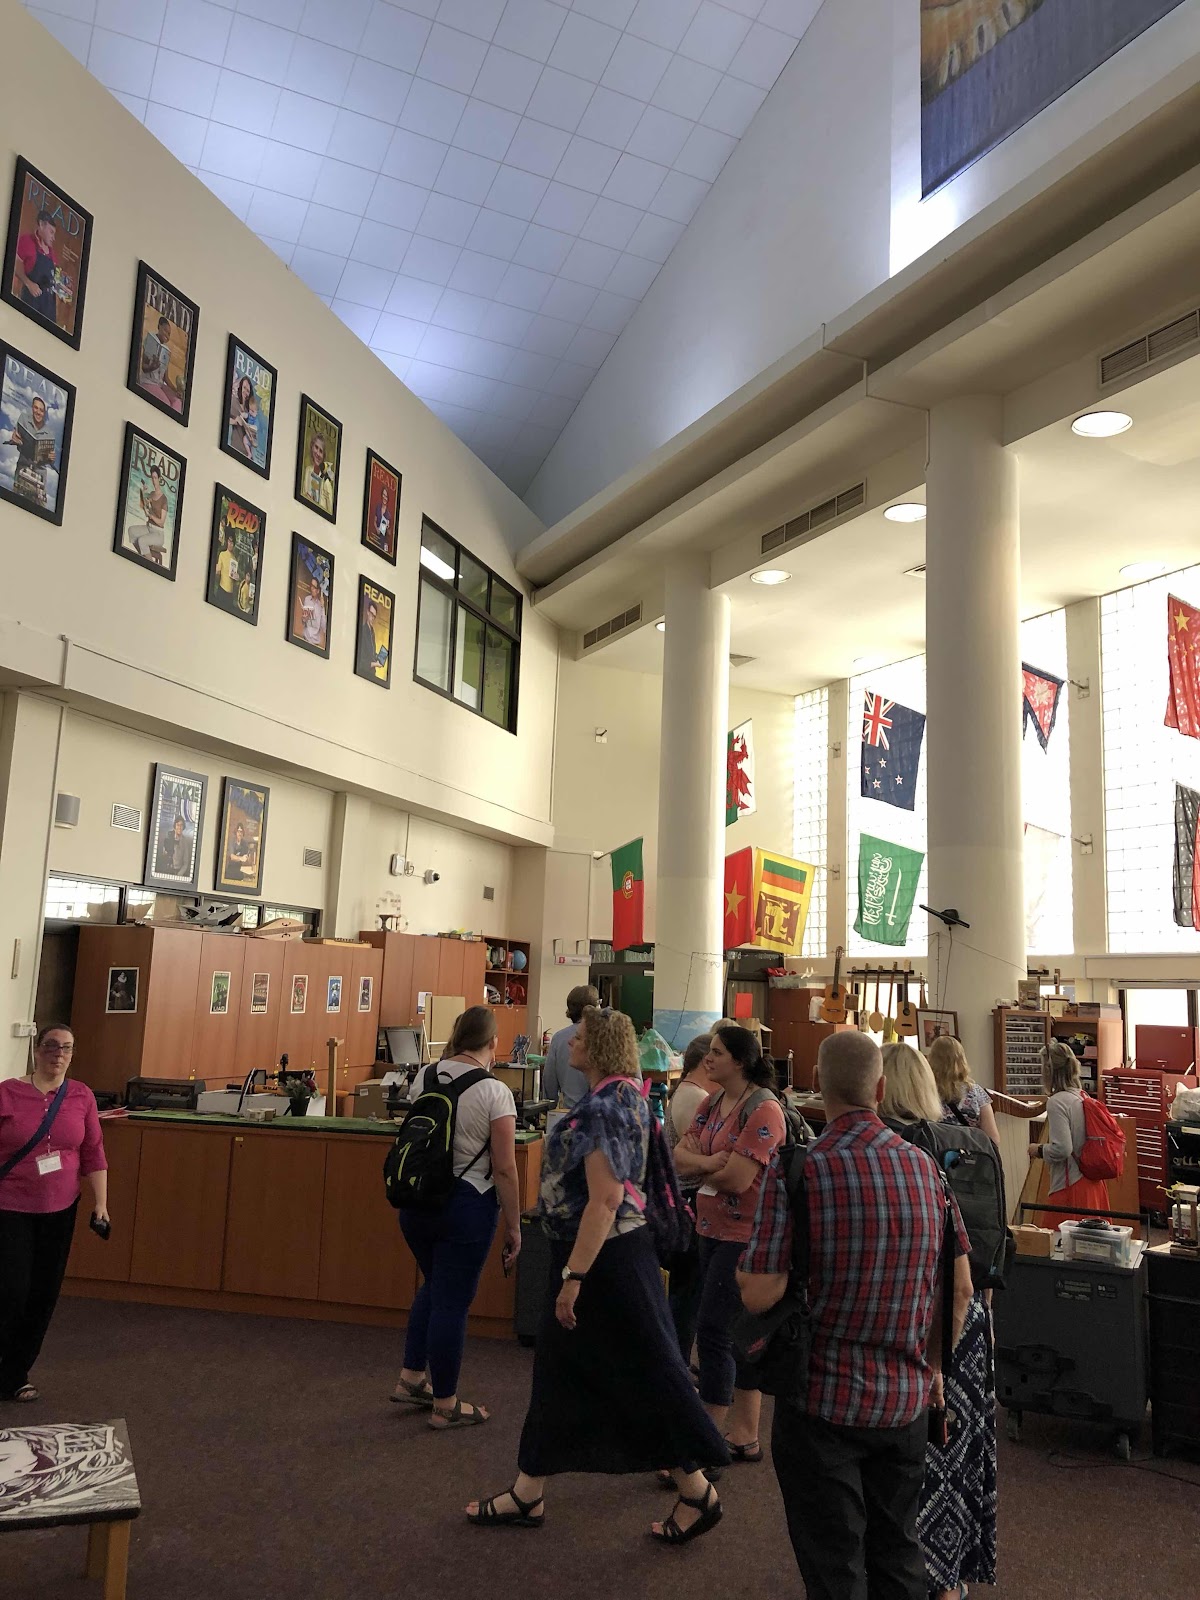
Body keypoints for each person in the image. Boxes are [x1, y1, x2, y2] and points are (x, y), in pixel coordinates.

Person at [467, 1005, 728, 1542]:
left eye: (581, 1038)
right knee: (566, 1373)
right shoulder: (626, 1095)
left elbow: (606, 1200)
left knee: (646, 1373)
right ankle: (530, 1489)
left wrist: (573, 1278)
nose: (571, 1043)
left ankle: (697, 1490)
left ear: (601, 1047)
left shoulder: (606, 1107)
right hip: (610, 1257)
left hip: (604, 1261)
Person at [738, 1032, 973, 1600]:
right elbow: (961, 1289)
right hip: (905, 1401)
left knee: (834, 1565)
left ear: (818, 1083)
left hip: (821, 1400)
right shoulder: (927, 1170)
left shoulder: (799, 1170)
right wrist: (934, 1369)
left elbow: (759, 1293)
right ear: (881, 1088)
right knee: (898, 1552)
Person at [880, 1043, 997, 1600]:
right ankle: (952, 1578)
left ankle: (909, 1572)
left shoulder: (897, 1152)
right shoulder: (960, 1142)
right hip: (966, 1321)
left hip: (919, 1318)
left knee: (914, 1459)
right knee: (958, 1453)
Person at [392, 1006, 521, 1429]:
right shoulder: (495, 1091)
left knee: (435, 1286)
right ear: (493, 1042)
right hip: (466, 1205)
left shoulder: (426, 1076)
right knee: (452, 1300)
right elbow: (504, 1168)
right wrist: (515, 1225)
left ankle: (412, 1377)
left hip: (417, 1201)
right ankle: (445, 1404)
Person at [673, 1024, 785, 1464]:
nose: (708, 1058)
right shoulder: (713, 1101)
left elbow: (739, 1179)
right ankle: (744, 1435)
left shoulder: (764, 1109)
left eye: (718, 1052)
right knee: (733, 1334)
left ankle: (707, 1439)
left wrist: (700, 1164)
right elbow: (678, 1156)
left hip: (745, 1237)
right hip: (709, 1228)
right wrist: (708, 1162)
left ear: (740, 1061)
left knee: (714, 1331)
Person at [0, 1025, 108, 1402]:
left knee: (43, 1293)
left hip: (61, 1209)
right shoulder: (7, 1093)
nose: (57, 1054)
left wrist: (101, 1204)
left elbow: (93, 1151)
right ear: (36, 1050)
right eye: (50, 1046)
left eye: (65, 1048)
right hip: (9, 1206)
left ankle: (15, 1374)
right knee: (12, 1290)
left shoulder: (81, 1096)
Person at [665, 1033, 712, 1364]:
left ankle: (677, 1363)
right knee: (687, 1293)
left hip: (684, 1199)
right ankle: (677, 1365)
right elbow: (701, 1157)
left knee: (687, 1292)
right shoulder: (695, 1098)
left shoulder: (689, 1093)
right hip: (689, 1201)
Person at [1030, 1038, 1109, 1230]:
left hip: (1070, 1185)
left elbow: (1063, 1149)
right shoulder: (1082, 1096)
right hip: (1092, 1182)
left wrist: (1038, 1149)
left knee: (1061, 1242)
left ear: (1049, 1071)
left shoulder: (1057, 1102)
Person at [927, 1033, 1002, 1146]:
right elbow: (993, 1139)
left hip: (937, 1154)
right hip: (971, 1154)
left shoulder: (925, 1092)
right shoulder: (976, 1092)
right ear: (961, 1059)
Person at [541, 984, 598, 1110]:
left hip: (570, 1112)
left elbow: (549, 1080)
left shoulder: (559, 1038)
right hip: (602, 1113)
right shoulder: (603, 1036)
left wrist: (550, 1108)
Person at [13, 209, 59, 326]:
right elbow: (15, 263)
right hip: (31, 302)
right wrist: (29, 283)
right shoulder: (26, 241)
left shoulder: (52, 254)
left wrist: (63, 288)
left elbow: (55, 278)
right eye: (51, 232)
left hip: (48, 308)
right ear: (41, 225)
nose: (53, 238)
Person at [303, 431, 334, 514]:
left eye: (321, 451)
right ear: (312, 447)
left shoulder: (326, 482)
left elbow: (330, 512)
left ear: (324, 456)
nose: (317, 453)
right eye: (316, 447)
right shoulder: (307, 470)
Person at [228, 374, 255, 457]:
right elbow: (224, 418)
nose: (245, 392)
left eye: (248, 390)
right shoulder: (234, 402)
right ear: (240, 387)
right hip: (236, 447)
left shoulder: (249, 410)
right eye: (244, 388)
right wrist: (235, 421)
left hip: (247, 452)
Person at [214, 529, 239, 614]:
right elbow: (217, 572)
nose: (231, 544)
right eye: (229, 541)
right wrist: (217, 570)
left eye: (232, 542)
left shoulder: (235, 560)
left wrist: (236, 578)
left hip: (230, 595)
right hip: (222, 590)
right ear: (227, 541)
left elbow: (234, 581)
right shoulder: (222, 554)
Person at [300, 575, 326, 648]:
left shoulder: (320, 606)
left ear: (318, 591)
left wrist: (322, 607)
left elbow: (324, 628)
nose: (311, 589)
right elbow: (303, 622)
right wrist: (304, 618)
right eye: (311, 586)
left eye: (314, 587)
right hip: (305, 638)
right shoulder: (307, 599)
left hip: (315, 643)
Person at [358, 598, 380, 674]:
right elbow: (361, 661)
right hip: (365, 672)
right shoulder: (363, 631)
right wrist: (375, 664)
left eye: (374, 616)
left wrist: (377, 657)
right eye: (371, 614)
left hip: (372, 673)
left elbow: (371, 653)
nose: (372, 618)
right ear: (367, 612)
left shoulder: (372, 632)